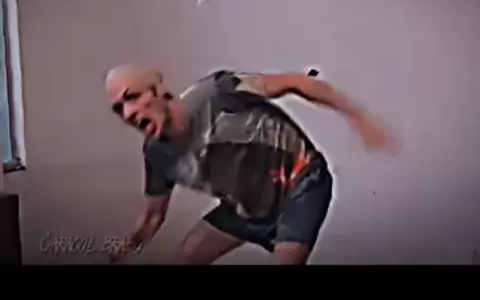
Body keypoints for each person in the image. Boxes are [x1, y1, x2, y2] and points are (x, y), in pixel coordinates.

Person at [104, 66, 397, 265]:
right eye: (119, 108)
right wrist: (119, 252)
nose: (128, 113)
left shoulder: (217, 91)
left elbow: (295, 82)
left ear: (157, 90)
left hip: (299, 187)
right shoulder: (157, 155)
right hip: (246, 209)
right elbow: (153, 217)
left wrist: (358, 118)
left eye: (133, 97)